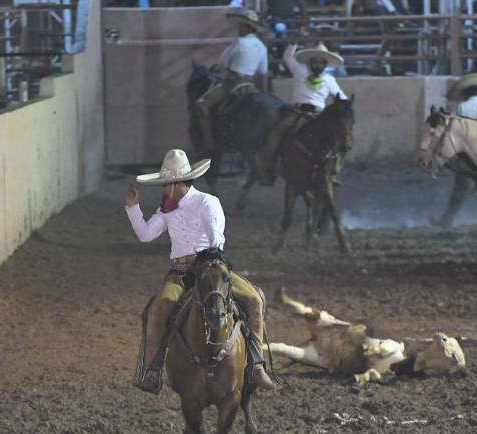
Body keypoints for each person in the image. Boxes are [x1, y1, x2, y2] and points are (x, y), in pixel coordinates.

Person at [125, 149, 276, 393]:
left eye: (165, 184)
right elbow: (145, 235)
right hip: (180, 271)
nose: (163, 189)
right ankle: (152, 370)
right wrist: (133, 207)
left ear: (176, 183)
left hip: (211, 268)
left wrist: (208, 261)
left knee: (253, 299)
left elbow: (216, 237)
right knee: (158, 308)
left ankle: (257, 364)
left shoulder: (207, 202)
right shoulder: (167, 208)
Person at [259, 39, 347, 185]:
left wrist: (344, 106)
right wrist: (294, 41)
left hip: (319, 114)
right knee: (276, 134)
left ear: (325, 64)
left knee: (336, 141)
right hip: (297, 111)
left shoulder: (329, 80)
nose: (318, 65)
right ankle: (270, 167)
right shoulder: (300, 70)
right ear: (310, 62)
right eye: (315, 61)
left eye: (321, 62)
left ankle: (333, 172)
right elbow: (287, 57)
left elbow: (341, 98)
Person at [195, 9, 269, 152]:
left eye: (242, 25)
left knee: (201, 104)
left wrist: (217, 69)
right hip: (250, 84)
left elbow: (223, 63)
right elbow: (263, 71)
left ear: (249, 28)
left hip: (232, 83)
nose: (239, 28)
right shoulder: (262, 47)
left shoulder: (239, 42)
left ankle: (209, 143)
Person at [431, 73, 477, 229]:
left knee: (460, 189)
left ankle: (446, 221)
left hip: (470, 153)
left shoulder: (463, 107)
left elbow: (462, 133)